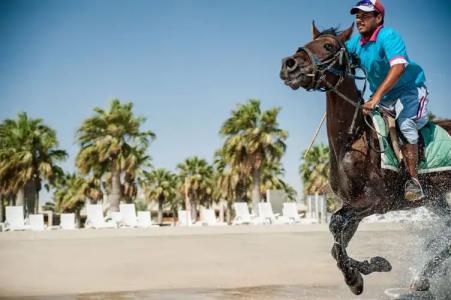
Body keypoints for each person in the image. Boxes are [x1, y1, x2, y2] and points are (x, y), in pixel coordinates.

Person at [345, 0, 429, 201]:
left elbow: (398, 67)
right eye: (357, 16)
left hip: (410, 91)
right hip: (384, 98)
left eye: (364, 15)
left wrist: (376, 97)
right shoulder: (356, 43)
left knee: (405, 124)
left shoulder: (388, 36)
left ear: (378, 18)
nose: (359, 20)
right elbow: (338, 54)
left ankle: (413, 182)